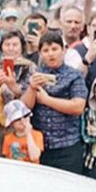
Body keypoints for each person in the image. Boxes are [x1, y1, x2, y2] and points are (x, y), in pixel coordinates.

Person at [21, 31, 88, 174]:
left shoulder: (74, 75)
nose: (51, 54)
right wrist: (32, 88)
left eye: (54, 49)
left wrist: (47, 100)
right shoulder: (35, 75)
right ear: (40, 53)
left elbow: (78, 107)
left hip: (68, 145)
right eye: (45, 50)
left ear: (63, 50)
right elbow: (25, 107)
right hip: (40, 146)